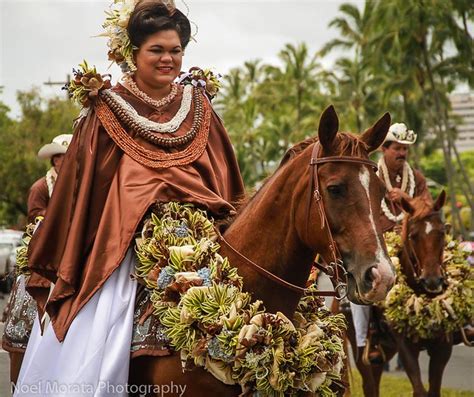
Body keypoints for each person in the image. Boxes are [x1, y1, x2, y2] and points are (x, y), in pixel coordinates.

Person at [14, 1, 244, 395]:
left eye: (175, 50)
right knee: (100, 325)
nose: (168, 59)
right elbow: (84, 189)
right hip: (121, 246)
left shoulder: (200, 106)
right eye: (157, 50)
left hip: (200, 239)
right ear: (132, 52)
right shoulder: (105, 109)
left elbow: (222, 177)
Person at [350, 122, 431, 364]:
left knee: (444, 265)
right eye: (397, 148)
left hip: (412, 244)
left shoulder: (416, 178)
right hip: (379, 243)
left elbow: (428, 208)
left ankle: (458, 326)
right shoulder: (371, 176)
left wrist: (407, 199)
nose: (402, 153)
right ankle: (366, 338)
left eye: (406, 149)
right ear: (384, 149)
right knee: (362, 281)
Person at [2, 134, 72, 384]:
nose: (64, 162)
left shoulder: (81, 185)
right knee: (29, 282)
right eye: (60, 158)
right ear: (54, 160)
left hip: (73, 246)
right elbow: (36, 217)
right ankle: (22, 333)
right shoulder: (41, 187)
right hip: (45, 245)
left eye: (68, 157)